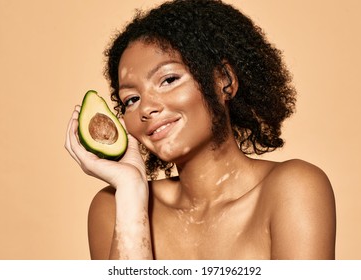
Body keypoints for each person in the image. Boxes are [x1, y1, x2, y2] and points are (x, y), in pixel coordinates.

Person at [65, 0, 336, 260]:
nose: (146, 108)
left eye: (168, 80)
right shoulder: (113, 207)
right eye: (131, 99)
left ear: (224, 81)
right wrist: (130, 194)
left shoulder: (293, 188)